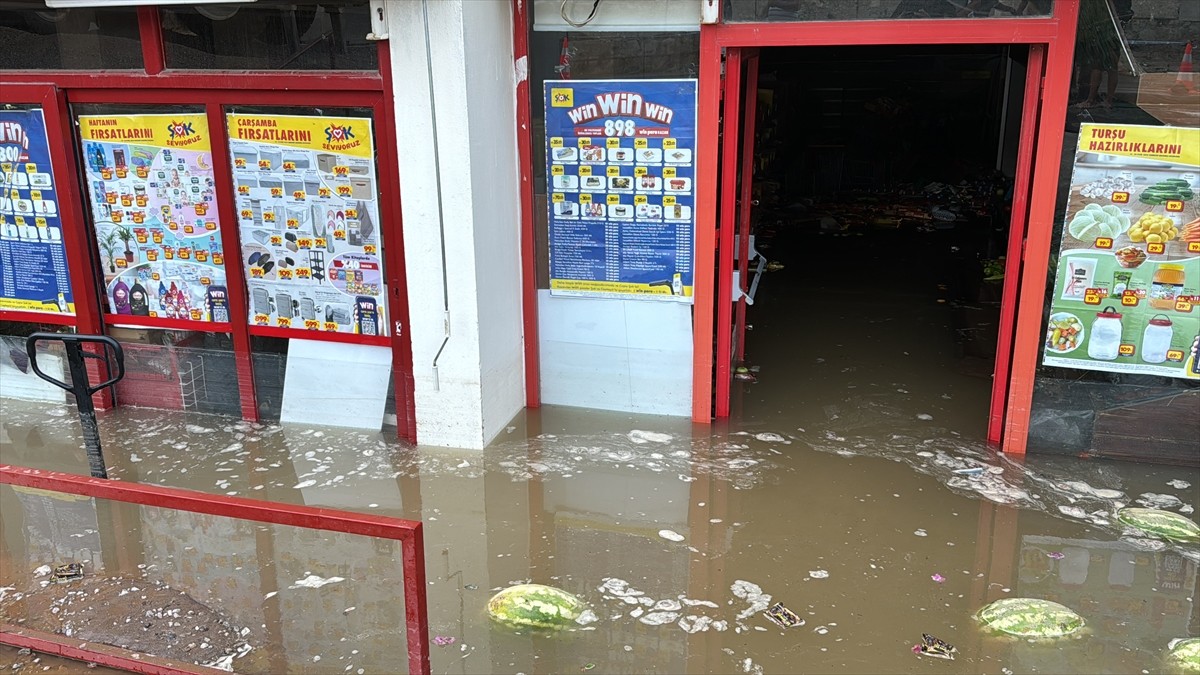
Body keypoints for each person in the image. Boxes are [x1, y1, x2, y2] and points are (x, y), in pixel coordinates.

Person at [1073, 0, 1133, 109]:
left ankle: (1095, 100)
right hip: (1107, 31)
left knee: (1102, 66)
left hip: (1106, 31)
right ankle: (1101, 100)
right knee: (1104, 66)